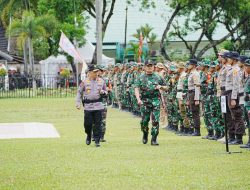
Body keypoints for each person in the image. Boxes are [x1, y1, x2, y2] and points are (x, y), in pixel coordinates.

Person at [135, 60, 167, 146]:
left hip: (155, 100)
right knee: (144, 121)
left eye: (151, 66)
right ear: (144, 67)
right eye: (148, 66)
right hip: (145, 101)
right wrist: (138, 99)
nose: (149, 68)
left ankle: (154, 139)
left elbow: (166, 87)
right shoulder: (140, 77)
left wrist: (161, 87)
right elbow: (137, 88)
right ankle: (145, 134)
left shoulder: (158, 77)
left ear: (154, 67)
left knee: (155, 120)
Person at [76, 64, 107, 147]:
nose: (97, 73)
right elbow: (79, 92)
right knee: (87, 124)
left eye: (97, 71)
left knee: (98, 124)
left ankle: (97, 140)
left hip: (98, 106)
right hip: (88, 107)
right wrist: (78, 103)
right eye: (94, 72)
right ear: (89, 72)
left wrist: (103, 92)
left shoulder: (101, 81)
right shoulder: (84, 82)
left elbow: (106, 91)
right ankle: (89, 135)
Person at [187, 59, 201, 136]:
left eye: (190, 64)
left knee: (195, 112)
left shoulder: (195, 73)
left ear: (194, 65)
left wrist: (197, 98)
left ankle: (197, 131)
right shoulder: (191, 73)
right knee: (193, 112)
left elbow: (197, 86)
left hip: (194, 93)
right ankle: (195, 130)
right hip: (191, 93)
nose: (188, 65)